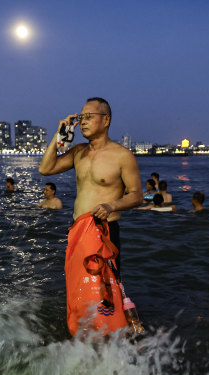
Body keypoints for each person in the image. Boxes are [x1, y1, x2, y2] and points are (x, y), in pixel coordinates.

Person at [38, 97, 143, 335]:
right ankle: (83, 334)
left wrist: (111, 204)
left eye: (88, 117)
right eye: (80, 117)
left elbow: (137, 195)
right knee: (80, 288)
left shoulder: (122, 156)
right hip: (78, 231)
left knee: (106, 291)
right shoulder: (78, 153)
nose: (82, 122)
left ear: (105, 120)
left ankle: (113, 336)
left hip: (105, 232)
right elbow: (45, 169)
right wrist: (60, 134)